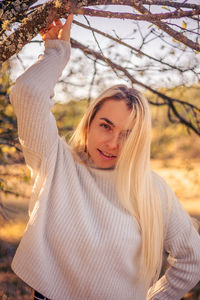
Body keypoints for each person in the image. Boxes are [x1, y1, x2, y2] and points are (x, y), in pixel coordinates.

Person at [9, 14, 200, 300]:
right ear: (89, 122)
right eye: (106, 126)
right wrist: (56, 51)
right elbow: (28, 92)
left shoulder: (152, 189)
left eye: (127, 135)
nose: (113, 143)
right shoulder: (56, 161)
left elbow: (192, 260)